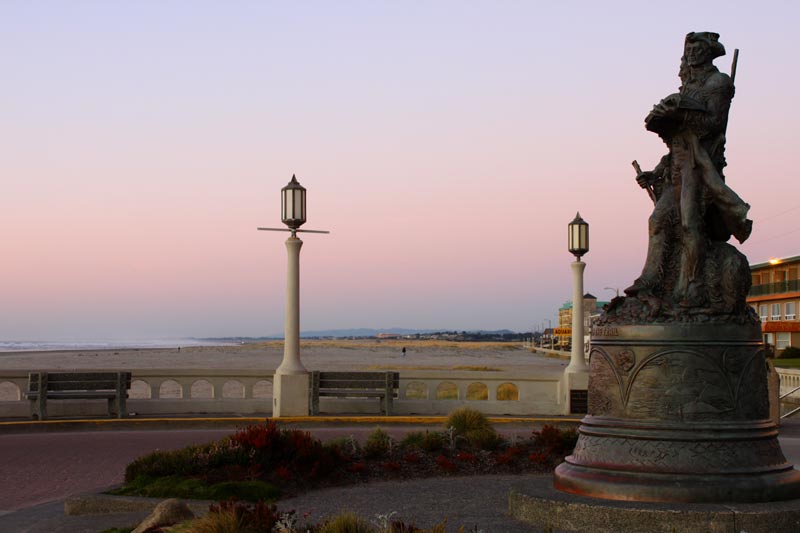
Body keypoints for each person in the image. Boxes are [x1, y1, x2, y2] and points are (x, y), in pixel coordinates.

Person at [629, 32, 752, 307]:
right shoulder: (687, 87)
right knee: (658, 220)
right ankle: (650, 281)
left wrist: (682, 114)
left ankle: (692, 288)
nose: (692, 54)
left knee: (689, 224)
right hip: (677, 170)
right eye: (689, 50)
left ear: (710, 52)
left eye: (698, 49)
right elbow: (677, 144)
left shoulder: (717, 83)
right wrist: (657, 171)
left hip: (700, 169)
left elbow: (714, 124)